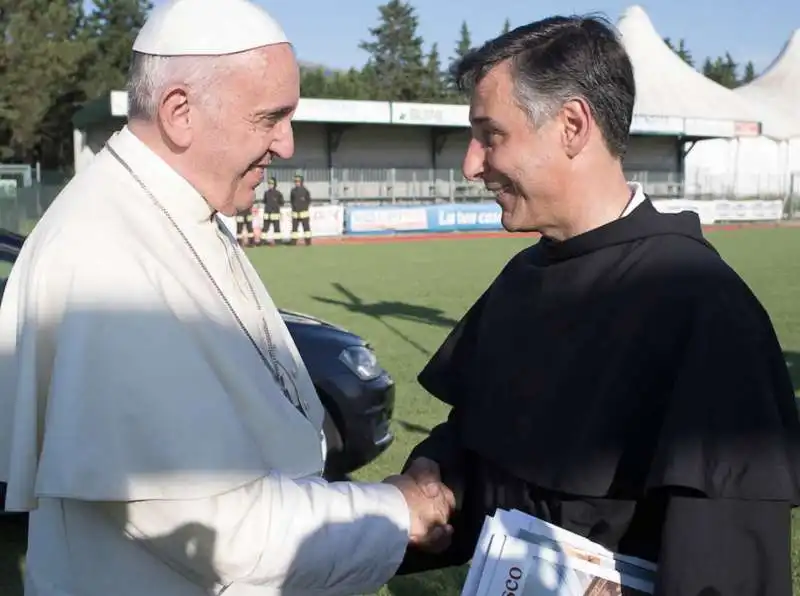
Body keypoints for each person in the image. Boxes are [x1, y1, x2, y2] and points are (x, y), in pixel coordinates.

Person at [0, 0, 455, 594]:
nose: (287, 145)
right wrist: (393, 510)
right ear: (180, 112)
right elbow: (226, 531)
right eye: (271, 118)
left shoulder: (178, 210)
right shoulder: (105, 260)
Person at [396, 15, 800, 596]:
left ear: (572, 125)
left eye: (491, 134)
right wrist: (433, 480)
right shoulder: (525, 275)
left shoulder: (705, 309)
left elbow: (726, 569)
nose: (471, 164)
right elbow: (485, 446)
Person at [290, 173, 312, 245]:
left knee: (306, 229)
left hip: (304, 213)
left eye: (298, 181)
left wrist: (304, 207)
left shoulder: (305, 191)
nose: (297, 183)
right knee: (294, 230)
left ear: (301, 182)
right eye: (295, 182)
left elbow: (308, 200)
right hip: (295, 214)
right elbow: (292, 201)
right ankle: (293, 242)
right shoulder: (293, 191)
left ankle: (308, 242)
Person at [262, 176, 284, 246]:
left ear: (274, 184)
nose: (270, 185)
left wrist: (275, 206)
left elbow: (282, 202)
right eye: (269, 183)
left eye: (271, 184)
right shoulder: (266, 193)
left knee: (277, 229)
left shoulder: (278, 193)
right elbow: (264, 201)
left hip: (275, 215)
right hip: (267, 215)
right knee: (265, 229)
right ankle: (262, 242)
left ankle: (278, 242)